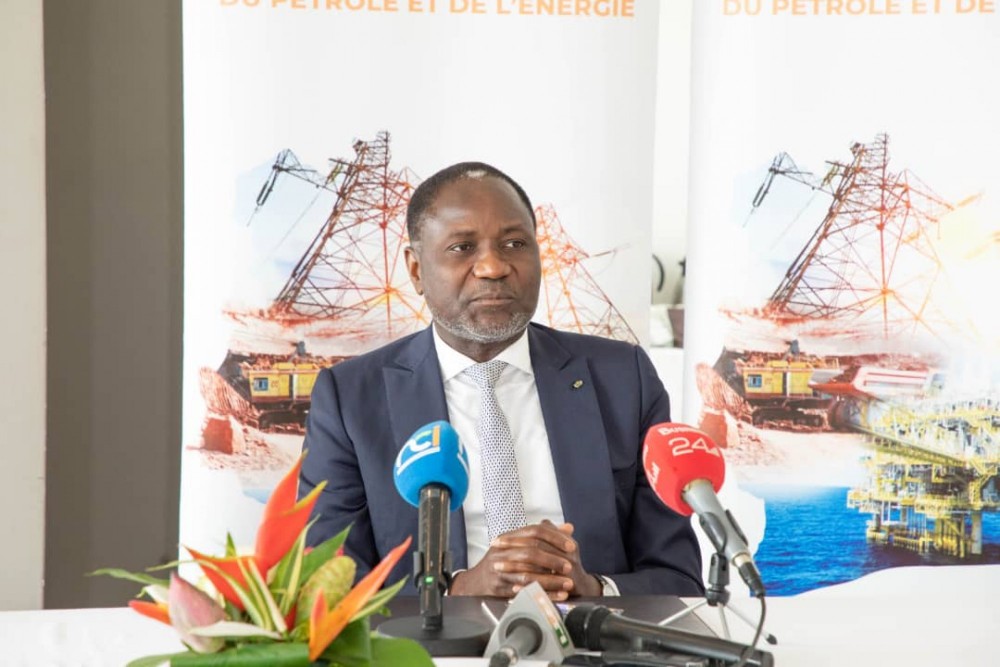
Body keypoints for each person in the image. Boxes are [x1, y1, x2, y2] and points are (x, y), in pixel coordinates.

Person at [299, 161, 704, 599]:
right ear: (416, 270)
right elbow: (328, 588)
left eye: (514, 244)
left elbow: (678, 580)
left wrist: (592, 588)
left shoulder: (622, 378)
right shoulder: (351, 399)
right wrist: (457, 592)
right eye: (462, 248)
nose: (493, 267)